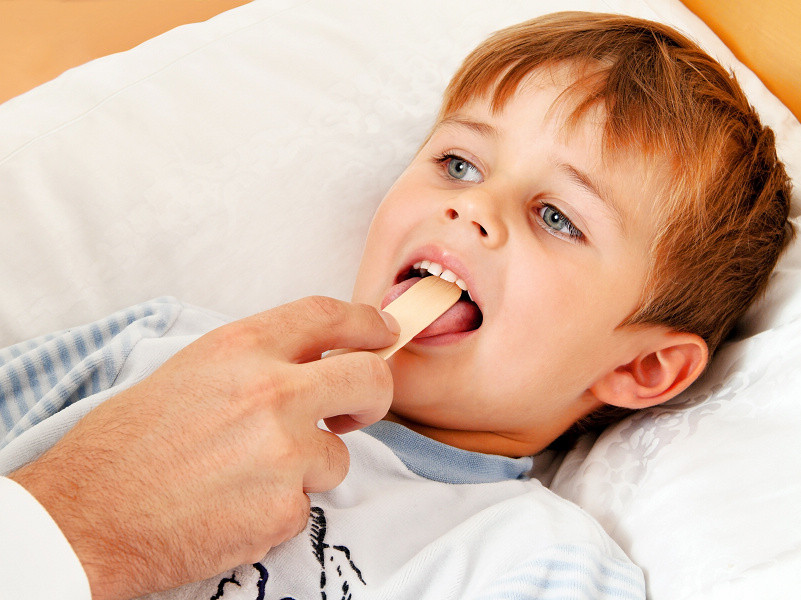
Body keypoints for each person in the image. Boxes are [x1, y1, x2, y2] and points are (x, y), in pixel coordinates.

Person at [1, 11, 793, 600]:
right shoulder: (162, 347)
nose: (473, 206)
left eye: (556, 216)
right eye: (456, 162)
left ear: (644, 366)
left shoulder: (533, 564)